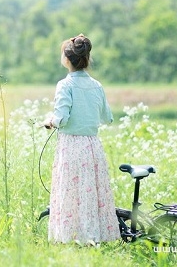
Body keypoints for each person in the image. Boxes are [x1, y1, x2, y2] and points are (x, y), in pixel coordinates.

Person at [43, 33, 120, 246]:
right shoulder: (97, 85)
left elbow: (61, 119)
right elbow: (108, 117)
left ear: (67, 59)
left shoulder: (65, 85)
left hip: (71, 146)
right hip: (92, 146)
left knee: (70, 192)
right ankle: (93, 237)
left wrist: (50, 121)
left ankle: (71, 237)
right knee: (90, 193)